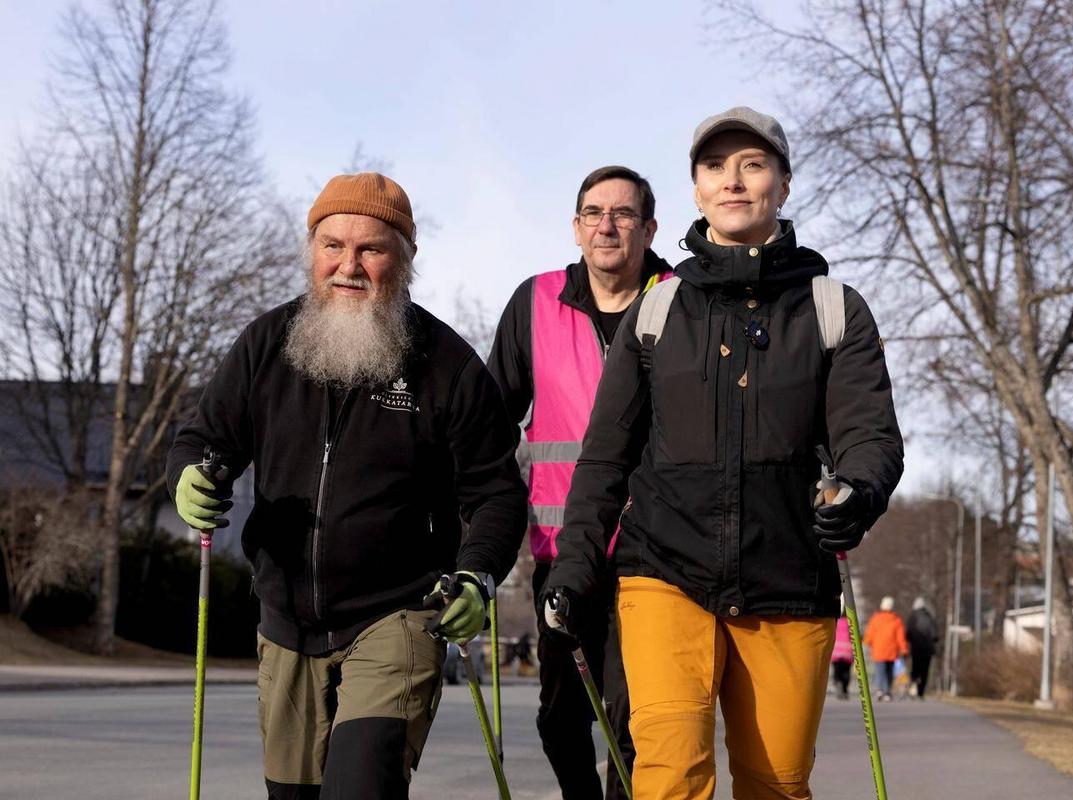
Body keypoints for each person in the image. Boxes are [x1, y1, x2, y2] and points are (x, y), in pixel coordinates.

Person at [543, 107, 904, 799]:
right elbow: (605, 458)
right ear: (698, 190)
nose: (733, 181)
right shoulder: (658, 310)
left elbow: (870, 435)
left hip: (789, 577)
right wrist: (576, 566)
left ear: (783, 185)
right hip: (663, 571)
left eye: (752, 165)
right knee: (669, 774)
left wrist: (857, 492)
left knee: (776, 784)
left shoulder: (834, 308)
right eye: (715, 167)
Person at [166, 172, 527, 800]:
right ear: (312, 251)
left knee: (362, 786)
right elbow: (203, 440)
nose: (348, 266)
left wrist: (478, 574)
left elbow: (495, 492)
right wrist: (188, 477)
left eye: (371, 249)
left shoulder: (448, 365)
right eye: (332, 245)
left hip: (399, 613)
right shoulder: (265, 345)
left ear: (405, 260)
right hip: (285, 621)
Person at [489, 165, 672, 800]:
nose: (607, 226)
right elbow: (491, 423)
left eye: (623, 214)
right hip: (563, 553)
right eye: (594, 213)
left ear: (649, 229)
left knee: (635, 720)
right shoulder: (535, 302)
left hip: (658, 554)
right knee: (561, 715)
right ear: (576, 227)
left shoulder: (684, 301)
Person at [864, 596, 909, 702]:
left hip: (878, 650)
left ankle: (880, 690)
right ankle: (887, 692)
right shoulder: (896, 620)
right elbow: (900, 637)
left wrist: (866, 642)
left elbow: (869, 634)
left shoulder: (875, 619)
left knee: (880, 671)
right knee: (889, 672)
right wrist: (904, 649)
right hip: (892, 651)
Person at [905, 596, 939, 698]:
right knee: (925, 670)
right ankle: (921, 691)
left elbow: (907, 633)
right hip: (928, 649)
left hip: (916, 648)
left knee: (915, 667)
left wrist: (910, 641)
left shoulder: (912, 617)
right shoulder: (929, 617)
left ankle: (913, 686)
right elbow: (935, 634)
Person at [830, 614, 854, 700]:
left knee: (837, 671)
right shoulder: (850, 622)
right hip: (847, 651)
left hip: (836, 651)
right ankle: (845, 690)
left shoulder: (835, 622)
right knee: (846, 672)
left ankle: (837, 682)